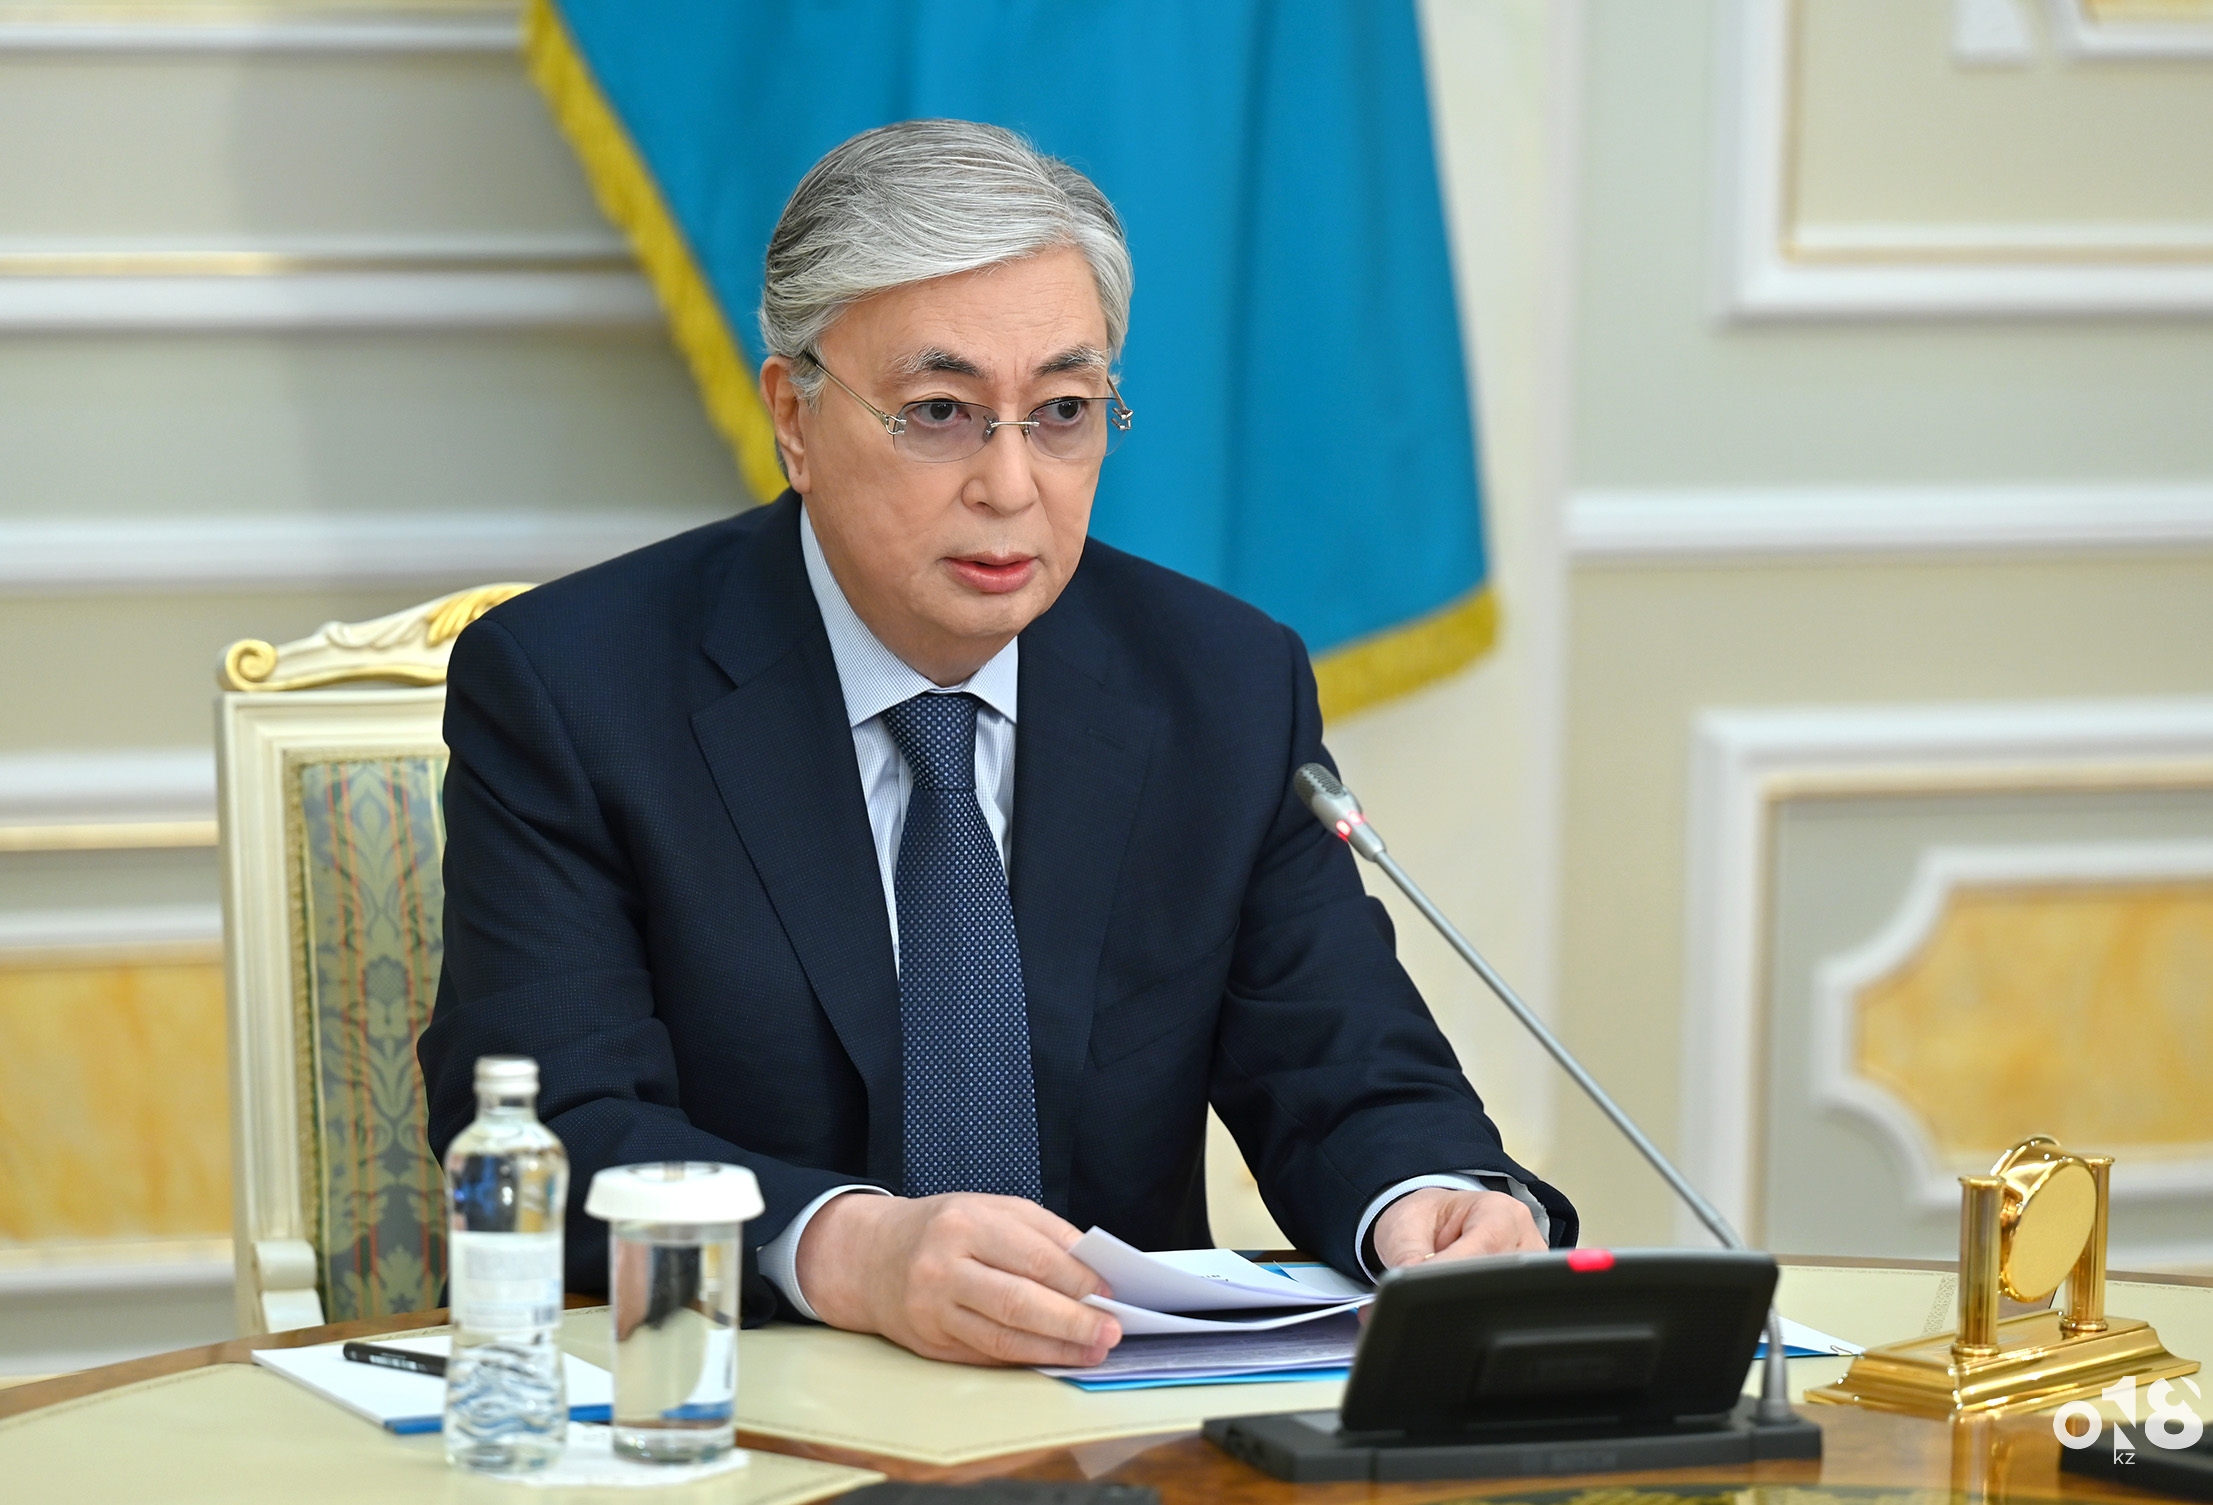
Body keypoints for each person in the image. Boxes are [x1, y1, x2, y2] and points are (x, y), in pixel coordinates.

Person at [418, 119, 1573, 1371]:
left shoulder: (1219, 688)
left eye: (1063, 411)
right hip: (739, 1405)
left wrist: (1429, 1198)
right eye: (939, 413)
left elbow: (1341, 1064)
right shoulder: (574, 689)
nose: (1012, 485)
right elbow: (551, 1123)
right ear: (793, 416)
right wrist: (847, 1247)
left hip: (1115, 1413)